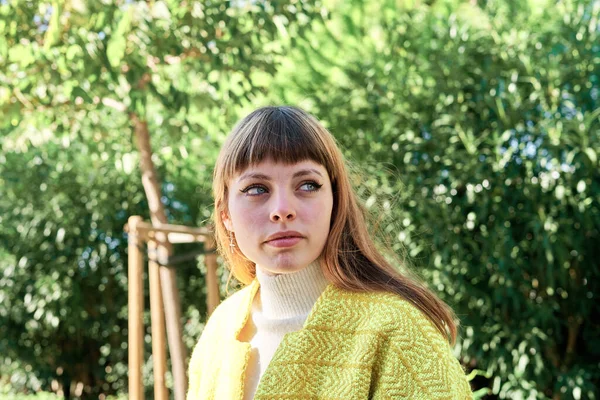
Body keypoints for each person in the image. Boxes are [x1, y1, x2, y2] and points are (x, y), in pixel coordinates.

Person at [187, 106, 473, 399]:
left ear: (335, 202)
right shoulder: (218, 334)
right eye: (257, 189)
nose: (283, 209)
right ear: (226, 216)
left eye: (307, 185)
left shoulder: (398, 333)